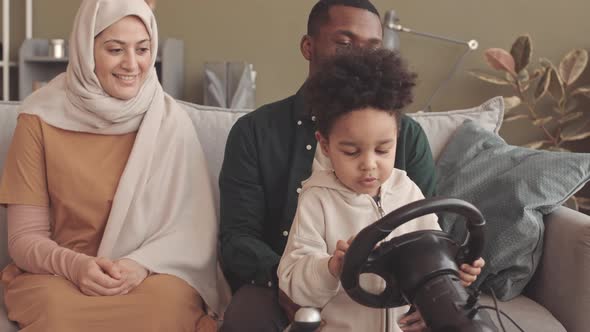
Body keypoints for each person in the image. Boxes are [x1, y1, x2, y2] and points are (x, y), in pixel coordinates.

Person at [219, 0, 484, 331]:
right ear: (308, 46)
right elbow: (237, 237)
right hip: (284, 280)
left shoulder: (407, 140)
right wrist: (293, 283)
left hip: (390, 288)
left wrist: (435, 286)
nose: (369, 164)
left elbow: (428, 231)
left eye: (372, 47)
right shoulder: (256, 132)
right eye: (344, 43)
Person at [0, 0, 229, 331]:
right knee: (56, 313)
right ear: (85, 48)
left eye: (142, 49)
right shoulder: (38, 120)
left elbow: (192, 232)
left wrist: (140, 265)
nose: (132, 64)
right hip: (60, 274)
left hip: (147, 276)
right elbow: (24, 238)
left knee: (167, 311)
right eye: (115, 49)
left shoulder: (170, 122)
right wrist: (77, 266)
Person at [279, 47, 442, 332]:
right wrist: (331, 266)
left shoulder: (408, 191)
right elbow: (294, 282)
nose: (369, 165)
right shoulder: (317, 199)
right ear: (326, 145)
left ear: (397, 138)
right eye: (352, 152)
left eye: (382, 149)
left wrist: (455, 276)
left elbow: (435, 257)